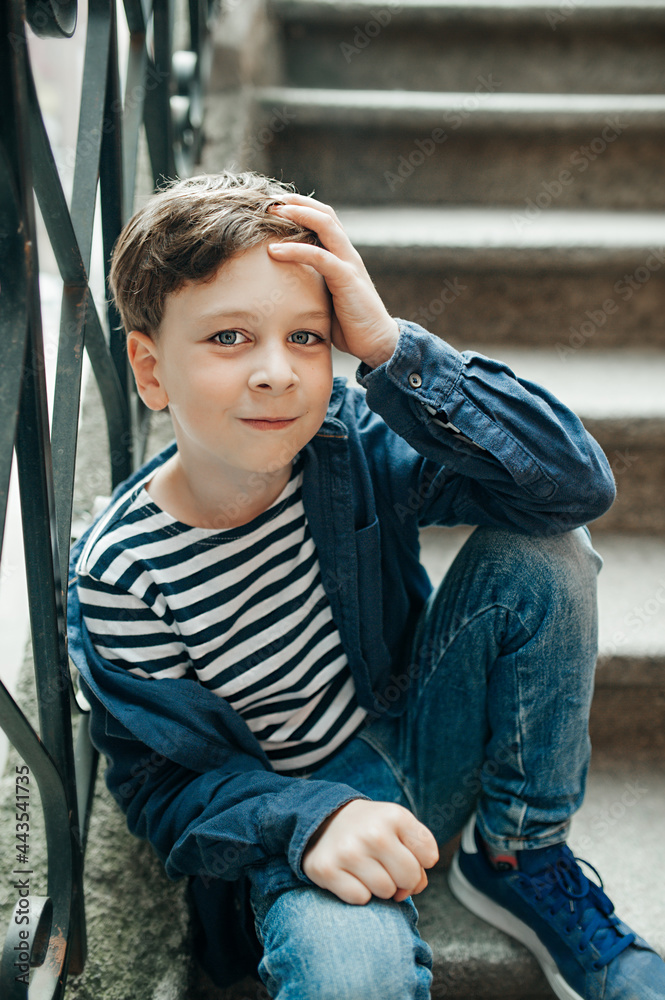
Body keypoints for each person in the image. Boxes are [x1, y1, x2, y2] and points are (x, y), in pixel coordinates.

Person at [67, 170, 665, 1000]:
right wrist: (310, 822)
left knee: (547, 550)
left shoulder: (346, 445)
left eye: (306, 337)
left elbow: (568, 487)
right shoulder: (121, 572)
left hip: (418, 737)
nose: (275, 372)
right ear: (150, 367)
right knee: (351, 977)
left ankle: (519, 852)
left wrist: (390, 347)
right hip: (298, 822)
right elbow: (165, 790)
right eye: (229, 338)